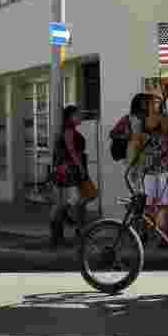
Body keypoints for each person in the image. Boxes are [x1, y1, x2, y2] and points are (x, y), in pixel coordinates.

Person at [126, 92, 168, 245]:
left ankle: (166, 236)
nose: (153, 104)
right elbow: (135, 145)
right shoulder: (140, 122)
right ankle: (145, 233)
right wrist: (133, 168)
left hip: (165, 169)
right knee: (148, 205)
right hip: (147, 170)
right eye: (150, 102)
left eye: (156, 102)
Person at [49, 105, 93, 248]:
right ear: (70, 116)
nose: (80, 116)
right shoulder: (68, 130)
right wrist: (80, 168)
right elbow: (72, 151)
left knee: (85, 197)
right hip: (70, 170)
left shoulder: (71, 130)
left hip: (72, 169)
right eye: (77, 114)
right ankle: (64, 221)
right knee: (77, 199)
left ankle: (71, 225)